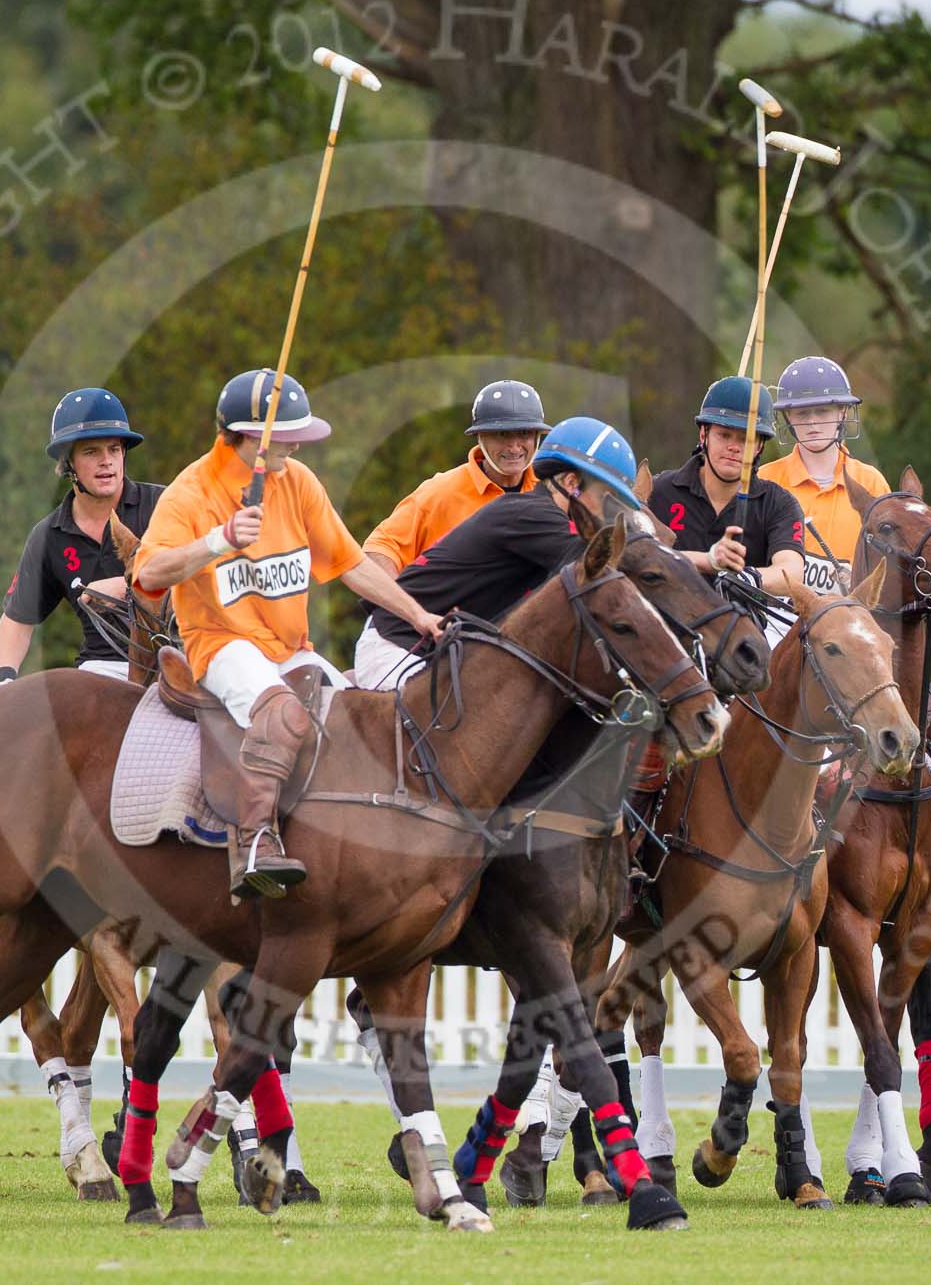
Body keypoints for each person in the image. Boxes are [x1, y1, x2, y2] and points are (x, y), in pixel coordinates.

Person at [132, 369, 442, 902]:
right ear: (248, 437)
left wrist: (417, 616)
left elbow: (352, 564)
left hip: (291, 649)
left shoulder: (296, 482)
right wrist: (217, 541)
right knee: (281, 715)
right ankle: (254, 844)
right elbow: (149, 574)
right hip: (222, 645)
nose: (297, 443)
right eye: (286, 435)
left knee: (362, 718)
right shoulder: (192, 492)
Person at [353, 416, 645, 691]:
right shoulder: (532, 516)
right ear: (571, 483)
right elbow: (617, 563)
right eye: (608, 497)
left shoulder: (538, 512)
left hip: (448, 653)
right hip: (398, 644)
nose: (612, 512)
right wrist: (683, 557)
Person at [353, 380, 548, 678]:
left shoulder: (550, 493)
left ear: (537, 436)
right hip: (437, 647)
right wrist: (411, 612)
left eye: (523, 433)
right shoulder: (441, 492)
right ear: (479, 437)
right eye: (501, 435)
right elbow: (378, 551)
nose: (513, 446)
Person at [0, 388, 163, 685]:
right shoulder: (48, 536)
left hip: (173, 656)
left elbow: (201, 573)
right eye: (91, 452)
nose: (106, 461)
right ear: (67, 462)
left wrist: (126, 586)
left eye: (113, 449)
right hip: (103, 667)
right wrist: (4, 682)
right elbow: (16, 621)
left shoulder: (164, 506)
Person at [643, 376, 805, 645]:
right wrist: (708, 560)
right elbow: (634, 556)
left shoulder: (779, 503)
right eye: (724, 435)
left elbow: (791, 572)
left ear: (760, 446)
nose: (734, 447)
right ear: (704, 434)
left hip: (744, 642)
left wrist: (747, 577)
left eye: (746, 438)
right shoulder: (659, 491)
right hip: (667, 638)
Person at [757, 356, 892, 589]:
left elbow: (891, 564)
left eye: (822, 411)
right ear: (788, 417)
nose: (812, 422)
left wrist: (861, 578)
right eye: (801, 413)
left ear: (842, 412)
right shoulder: (764, 479)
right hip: (777, 618)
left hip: (850, 617)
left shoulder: (871, 482)